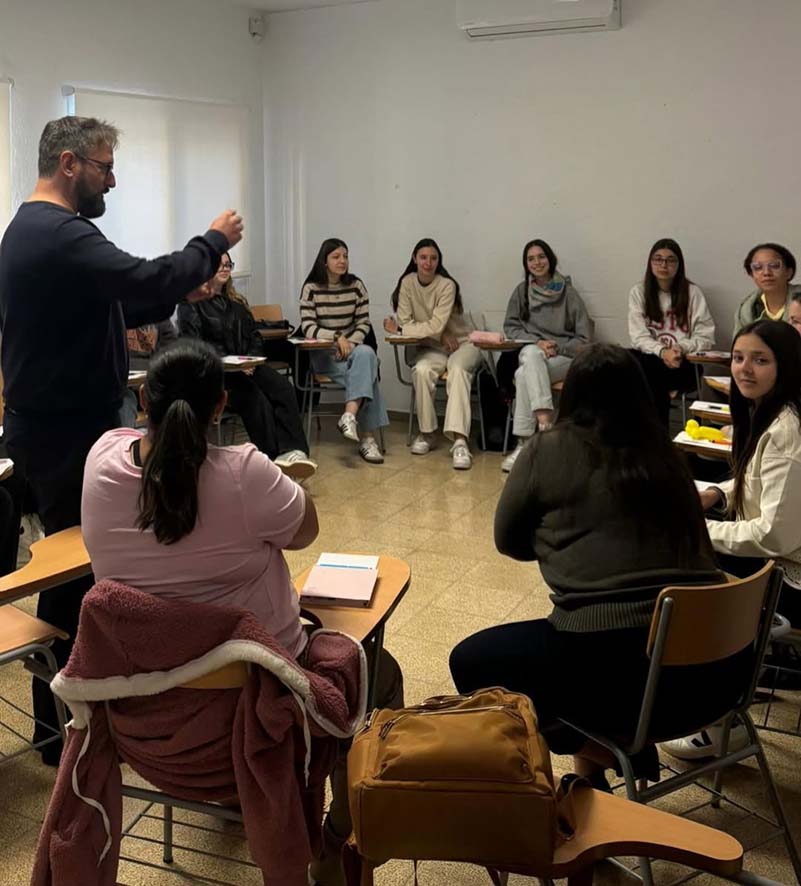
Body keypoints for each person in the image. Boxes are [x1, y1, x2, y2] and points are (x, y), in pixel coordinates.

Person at [82, 339, 402, 886]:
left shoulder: (101, 463)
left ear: (143, 400)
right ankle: (336, 842)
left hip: (144, 722)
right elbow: (306, 530)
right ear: (221, 406)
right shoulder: (246, 472)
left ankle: (251, 803)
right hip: (252, 721)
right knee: (381, 671)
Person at [0, 115, 243, 763]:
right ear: (70, 164)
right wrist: (211, 243)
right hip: (62, 434)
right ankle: (60, 731)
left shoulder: (35, 232)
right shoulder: (57, 232)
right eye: (105, 167)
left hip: (59, 426)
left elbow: (112, 302)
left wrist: (182, 285)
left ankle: (74, 716)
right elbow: (138, 279)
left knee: (83, 568)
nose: (113, 180)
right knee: (72, 573)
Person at [449, 344, 750, 788]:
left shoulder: (547, 450)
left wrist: (563, 543)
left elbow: (507, 541)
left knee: (472, 661)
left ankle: (604, 750)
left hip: (627, 683)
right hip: (717, 677)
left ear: (570, 393)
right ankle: (591, 786)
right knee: (572, 644)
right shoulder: (667, 454)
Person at [663, 320, 801, 760]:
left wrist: (700, 528)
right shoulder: (771, 412)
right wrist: (716, 493)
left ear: (786, 366)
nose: (744, 369)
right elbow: (759, 485)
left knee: (691, 573)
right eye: (739, 358)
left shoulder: (788, 430)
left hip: (792, 578)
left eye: (760, 360)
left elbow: (772, 534)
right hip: (781, 555)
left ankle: (722, 719)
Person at [178, 253, 316, 480]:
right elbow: (194, 346)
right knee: (255, 398)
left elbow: (255, 337)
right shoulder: (190, 305)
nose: (225, 268)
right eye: (219, 264)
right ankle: (272, 461)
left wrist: (250, 358)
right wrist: (232, 362)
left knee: (282, 387)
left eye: (228, 264)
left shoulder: (237, 304)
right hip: (217, 374)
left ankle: (294, 451)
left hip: (247, 367)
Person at [384, 238, 481, 470]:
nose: (428, 262)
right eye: (423, 257)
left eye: (433, 258)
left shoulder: (447, 285)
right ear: (414, 259)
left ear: (439, 261)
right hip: (431, 347)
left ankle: (460, 441)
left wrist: (402, 329)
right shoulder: (407, 283)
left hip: (463, 343)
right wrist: (434, 336)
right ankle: (427, 433)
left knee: (457, 370)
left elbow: (431, 326)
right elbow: (409, 321)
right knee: (422, 370)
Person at [500, 239, 592, 472]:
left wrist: (557, 347)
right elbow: (511, 328)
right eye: (531, 259)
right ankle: (543, 424)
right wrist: (537, 342)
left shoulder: (569, 293)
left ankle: (525, 443)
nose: (537, 262)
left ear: (550, 259)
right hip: (533, 352)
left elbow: (584, 338)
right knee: (530, 358)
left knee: (523, 375)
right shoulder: (521, 292)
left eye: (541, 257)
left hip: (564, 357)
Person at [299, 238, 388, 464]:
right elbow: (308, 327)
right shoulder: (311, 288)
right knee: (367, 371)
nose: (342, 261)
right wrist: (337, 339)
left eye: (345, 256)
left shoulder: (356, 286)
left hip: (353, 351)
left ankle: (349, 415)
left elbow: (363, 324)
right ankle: (367, 439)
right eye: (336, 257)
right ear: (324, 261)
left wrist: (349, 345)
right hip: (323, 352)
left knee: (367, 355)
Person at [628, 238, 715, 429]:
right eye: (658, 259)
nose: (663, 265)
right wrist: (662, 352)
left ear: (679, 264)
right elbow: (638, 337)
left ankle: (656, 435)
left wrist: (680, 348)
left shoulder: (692, 293)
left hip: (683, 364)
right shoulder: (638, 292)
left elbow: (706, 336)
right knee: (626, 358)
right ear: (650, 263)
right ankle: (657, 434)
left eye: (670, 260)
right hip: (651, 360)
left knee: (648, 375)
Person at [119, 318, 177, 427]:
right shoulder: (113, 314)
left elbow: (172, 351)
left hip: (153, 382)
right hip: (124, 386)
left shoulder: (158, 315)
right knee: (124, 401)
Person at [734, 243, 801, 334]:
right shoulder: (747, 309)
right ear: (752, 275)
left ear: (789, 272)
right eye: (758, 268)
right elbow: (739, 341)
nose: (766, 273)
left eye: (774, 266)